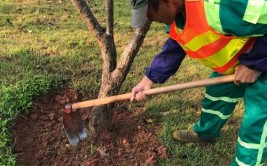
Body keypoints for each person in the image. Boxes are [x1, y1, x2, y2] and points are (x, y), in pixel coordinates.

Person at [129, 0, 267, 165]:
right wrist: (148, 80)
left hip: (261, 60)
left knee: (256, 121)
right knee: (217, 92)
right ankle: (205, 133)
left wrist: (254, 63)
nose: (150, 19)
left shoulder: (219, 7)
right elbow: (176, 46)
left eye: (150, 13)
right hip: (237, 64)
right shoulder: (178, 18)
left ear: (171, 2)